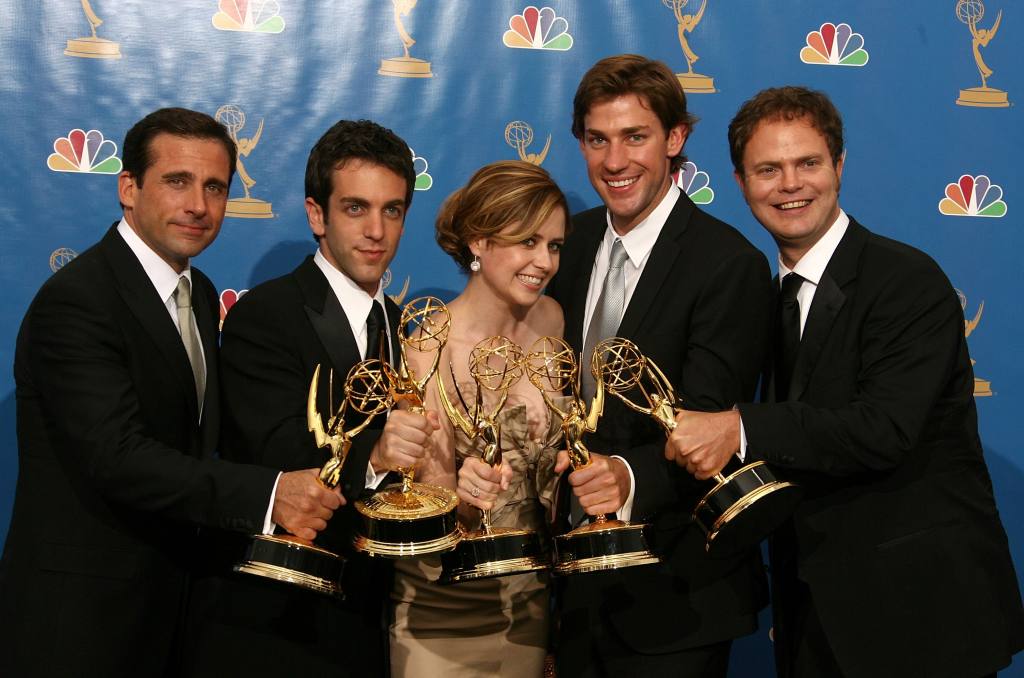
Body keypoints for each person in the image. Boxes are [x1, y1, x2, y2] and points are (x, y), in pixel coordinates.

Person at [666, 85, 1024, 677]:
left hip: (921, 621)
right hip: (815, 621)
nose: (790, 184)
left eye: (807, 163)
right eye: (768, 169)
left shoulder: (904, 280)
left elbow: (883, 429)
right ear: (740, 184)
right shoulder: (762, 295)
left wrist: (739, 427)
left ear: (839, 165)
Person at [0, 107, 342, 677]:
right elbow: (118, 457)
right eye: (177, 181)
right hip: (82, 621)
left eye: (215, 187)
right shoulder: (78, 300)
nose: (198, 205)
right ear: (128, 188)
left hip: (174, 610)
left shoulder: (201, 293)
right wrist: (268, 493)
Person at [544, 54, 773, 677]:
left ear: (675, 139)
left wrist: (627, 475)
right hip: (570, 588)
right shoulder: (565, 242)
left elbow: (708, 429)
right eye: (598, 140)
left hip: (676, 598)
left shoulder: (729, 264)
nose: (615, 162)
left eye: (635, 137)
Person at [183, 119, 434, 677]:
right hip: (271, 618)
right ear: (317, 215)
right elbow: (271, 448)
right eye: (355, 208)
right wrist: (373, 453)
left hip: (366, 614)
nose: (376, 230)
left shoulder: (400, 326)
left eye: (391, 210)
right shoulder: (266, 314)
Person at [389, 160, 568, 677]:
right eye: (527, 241)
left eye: (553, 245)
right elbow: (429, 490)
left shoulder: (552, 319)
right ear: (478, 242)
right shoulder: (429, 343)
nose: (544, 261)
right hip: (443, 605)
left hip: (529, 597)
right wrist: (461, 491)